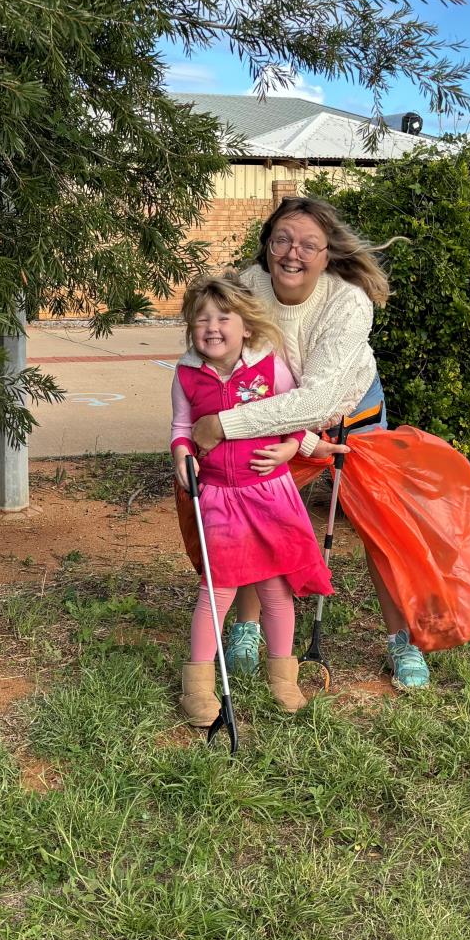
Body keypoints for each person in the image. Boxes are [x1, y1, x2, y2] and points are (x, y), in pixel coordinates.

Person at [188, 195, 430, 690]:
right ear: (266, 245)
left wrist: (224, 426)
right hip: (272, 415)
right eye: (281, 240)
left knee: (378, 529)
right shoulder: (246, 291)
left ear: (327, 255)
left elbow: (318, 400)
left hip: (349, 414)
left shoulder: (348, 301)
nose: (292, 253)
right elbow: (228, 370)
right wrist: (293, 442)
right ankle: (247, 628)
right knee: (254, 516)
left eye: (308, 245)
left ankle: (402, 640)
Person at [171, 272, 331, 725]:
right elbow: (182, 428)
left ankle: (283, 678)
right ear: (190, 328)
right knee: (216, 590)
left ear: (246, 326)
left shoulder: (269, 365)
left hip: (271, 493)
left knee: (276, 589)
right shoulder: (185, 375)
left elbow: (293, 414)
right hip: (219, 495)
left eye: (224, 317)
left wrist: (292, 446)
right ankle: (198, 686)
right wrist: (182, 456)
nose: (212, 327)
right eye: (201, 319)